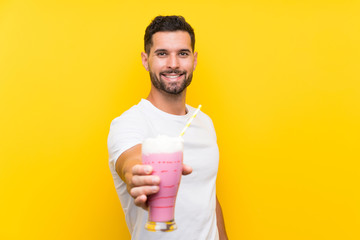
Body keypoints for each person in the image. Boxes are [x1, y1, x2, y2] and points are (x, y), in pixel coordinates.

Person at [108, 15, 228, 240]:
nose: (173, 64)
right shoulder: (129, 123)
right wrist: (139, 177)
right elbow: (130, 163)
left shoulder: (205, 122)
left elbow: (208, 198)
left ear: (194, 59)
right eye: (162, 54)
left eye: (183, 53)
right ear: (146, 60)